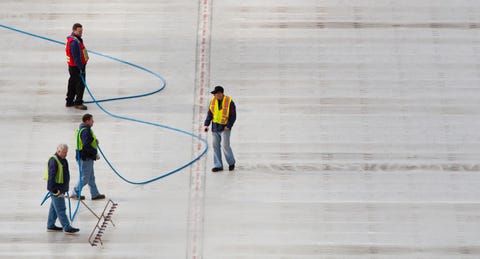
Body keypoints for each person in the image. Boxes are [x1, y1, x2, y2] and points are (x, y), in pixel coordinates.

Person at [45, 144, 80, 234]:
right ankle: (66, 227)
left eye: (66, 152)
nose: (66, 154)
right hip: (57, 190)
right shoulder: (54, 161)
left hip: (61, 189)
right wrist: (54, 190)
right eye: (64, 152)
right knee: (61, 209)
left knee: (54, 208)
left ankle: (50, 225)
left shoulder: (63, 160)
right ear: (59, 151)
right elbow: (51, 177)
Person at [70, 113, 105, 200]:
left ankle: (95, 194)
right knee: (85, 177)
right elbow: (86, 145)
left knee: (91, 177)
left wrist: (94, 141)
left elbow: (88, 142)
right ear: (87, 121)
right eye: (92, 120)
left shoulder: (84, 129)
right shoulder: (85, 131)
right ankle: (75, 193)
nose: (93, 122)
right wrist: (94, 153)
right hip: (85, 158)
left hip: (86, 157)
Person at [203, 86, 237, 172]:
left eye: (216, 93)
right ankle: (218, 165)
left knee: (225, 146)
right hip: (215, 127)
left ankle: (231, 162)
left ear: (221, 93)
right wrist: (206, 124)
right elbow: (210, 114)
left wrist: (228, 125)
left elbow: (233, 116)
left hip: (225, 128)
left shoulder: (229, 102)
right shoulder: (213, 101)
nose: (215, 95)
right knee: (215, 146)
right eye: (214, 94)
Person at [65, 23, 89, 110]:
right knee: (80, 85)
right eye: (79, 31)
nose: (81, 33)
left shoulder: (74, 39)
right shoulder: (74, 42)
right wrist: (80, 68)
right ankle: (78, 102)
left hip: (72, 67)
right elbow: (76, 57)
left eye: (81, 31)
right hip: (76, 67)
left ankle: (69, 101)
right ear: (74, 30)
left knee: (72, 83)